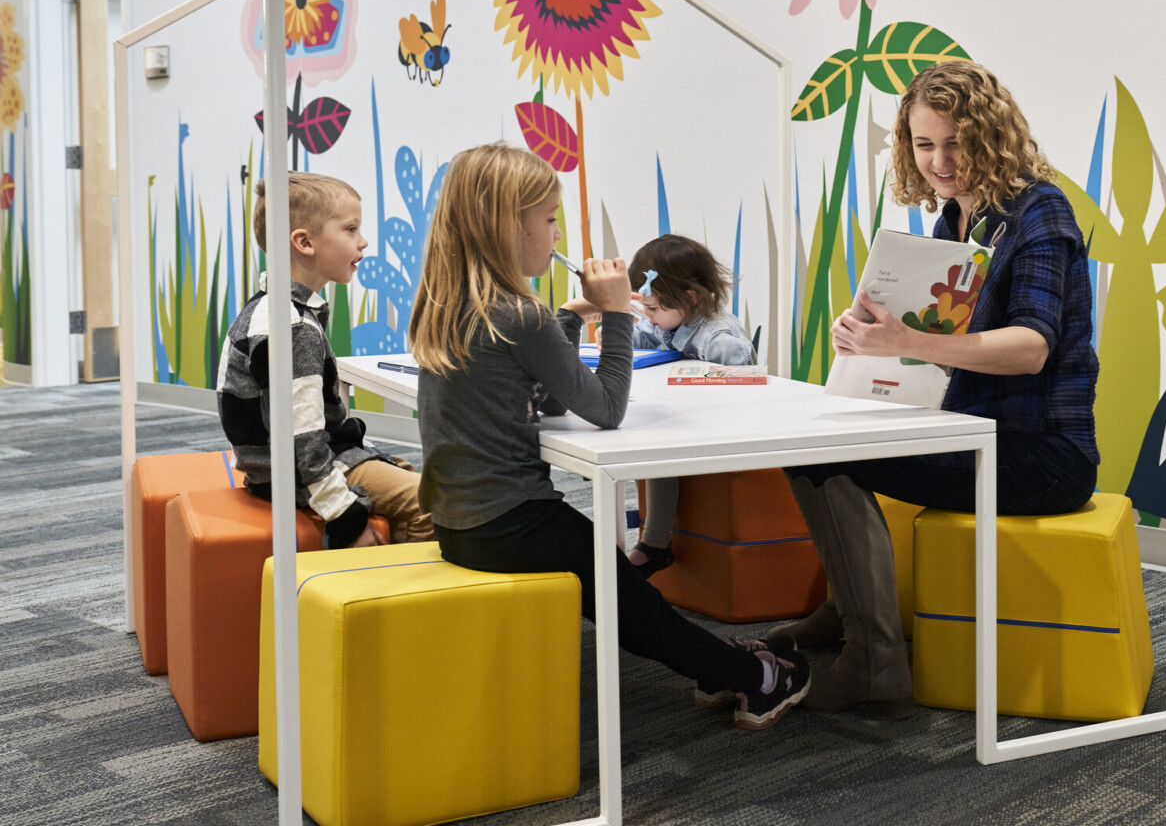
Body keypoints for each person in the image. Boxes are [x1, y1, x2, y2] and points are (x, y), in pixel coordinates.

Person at [409, 142, 809, 730]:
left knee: (627, 592)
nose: (554, 233)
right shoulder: (520, 315)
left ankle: (719, 663)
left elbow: (541, 398)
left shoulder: (446, 303)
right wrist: (619, 315)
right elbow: (604, 408)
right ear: (507, 227)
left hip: (459, 520)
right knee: (638, 609)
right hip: (514, 519)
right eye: (548, 220)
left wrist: (570, 317)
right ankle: (756, 679)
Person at [774, 62, 1099, 717]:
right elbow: (935, 351)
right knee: (808, 443)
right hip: (970, 431)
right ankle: (849, 608)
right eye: (924, 145)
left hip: (1044, 455)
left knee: (825, 457)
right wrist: (865, 337)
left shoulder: (1042, 211)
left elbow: (1031, 349)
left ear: (991, 134)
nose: (939, 161)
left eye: (956, 142)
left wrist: (906, 342)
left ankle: (875, 658)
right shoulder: (954, 220)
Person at [217, 173, 433, 549]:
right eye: (350, 229)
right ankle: (404, 594)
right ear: (304, 242)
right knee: (434, 499)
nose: (362, 241)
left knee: (407, 472)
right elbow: (303, 438)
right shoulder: (292, 326)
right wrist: (344, 514)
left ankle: (395, 574)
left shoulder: (278, 309)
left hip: (274, 468)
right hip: (290, 475)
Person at [623, 234, 755, 578]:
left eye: (652, 309)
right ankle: (653, 542)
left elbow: (744, 387)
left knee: (659, 442)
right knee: (653, 436)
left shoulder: (718, 339)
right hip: (691, 423)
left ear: (690, 297)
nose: (648, 317)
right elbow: (645, 337)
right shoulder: (672, 321)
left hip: (727, 427)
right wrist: (620, 331)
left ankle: (654, 544)